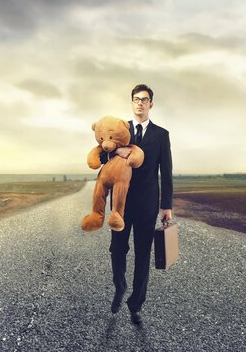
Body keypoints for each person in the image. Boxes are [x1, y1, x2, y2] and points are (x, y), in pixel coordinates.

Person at [102, 84, 173, 325]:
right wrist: (119, 149)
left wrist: (166, 206)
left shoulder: (161, 135)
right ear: (131, 103)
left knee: (143, 254)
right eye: (136, 99)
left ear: (151, 104)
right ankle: (119, 286)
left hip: (148, 203)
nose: (140, 103)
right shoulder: (120, 130)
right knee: (117, 249)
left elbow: (167, 172)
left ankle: (136, 302)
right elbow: (102, 154)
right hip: (120, 204)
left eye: (144, 99)